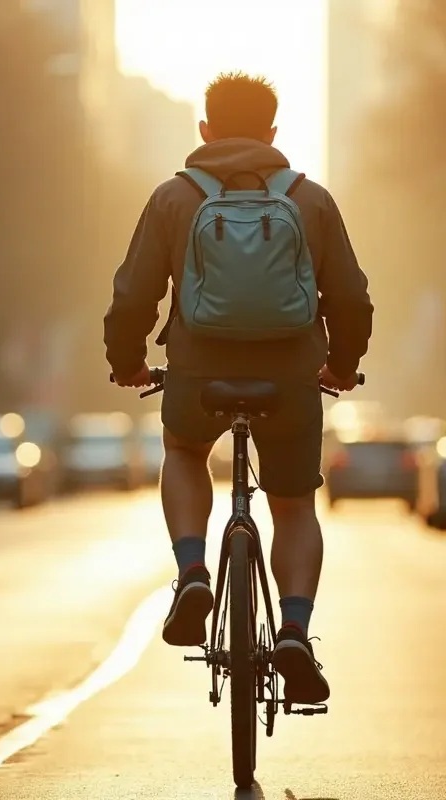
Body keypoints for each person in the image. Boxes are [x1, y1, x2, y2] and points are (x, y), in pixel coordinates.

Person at [103, 72, 373, 704]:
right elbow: (351, 298)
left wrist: (127, 361)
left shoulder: (174, 198)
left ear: (205, 130)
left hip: (199, 372)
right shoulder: (311, 201)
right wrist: (341, 363)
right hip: (291, 376)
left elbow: (133, 292)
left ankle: (194, 570)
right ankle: (295, 632)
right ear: (274, 133)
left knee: (184, 452)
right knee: (294, 503)